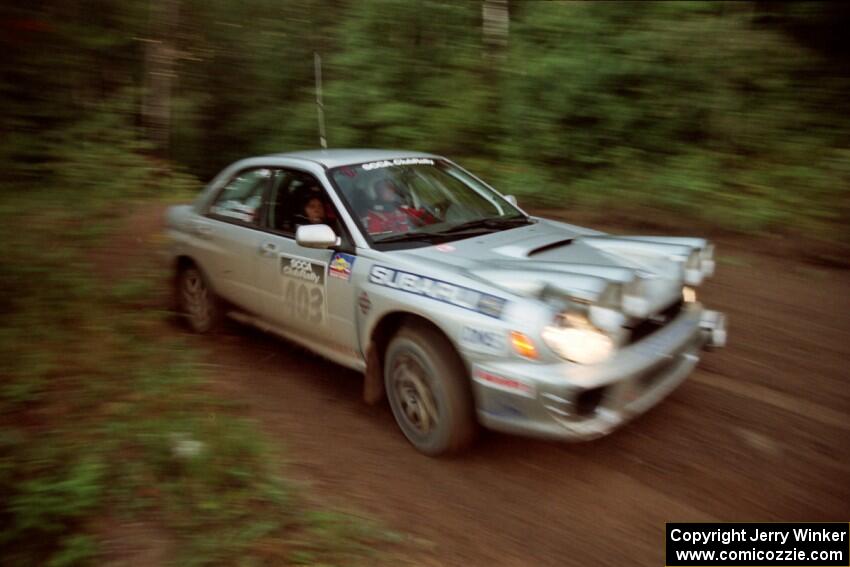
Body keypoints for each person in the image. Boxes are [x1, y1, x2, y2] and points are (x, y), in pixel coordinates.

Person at [366, 178, 435, 234]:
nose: (390, 192)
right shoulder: (374, 215)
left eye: (391, 189)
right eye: (385, 190)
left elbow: (426, 219)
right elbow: (378, 238)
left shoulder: (402, 208)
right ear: (378, 193)